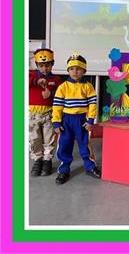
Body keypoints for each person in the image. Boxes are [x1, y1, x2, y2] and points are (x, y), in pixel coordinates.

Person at [52, 54, 100, 185]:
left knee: (85, 143)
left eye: (78, 68)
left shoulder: (88, 86)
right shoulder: (63, 87)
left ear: (84, 70)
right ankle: (64, 169)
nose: (75, 71)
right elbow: (57, 105)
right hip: (66, 120)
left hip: (82, 120)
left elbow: (92, 104)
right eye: (71, 68)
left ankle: (90, 166)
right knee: (64, 145)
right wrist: (56, 122)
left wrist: (90, 120)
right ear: (68, 70)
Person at [28, 49, 63, 177]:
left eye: (47, 65)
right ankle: (37, 160)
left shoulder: (56, 79)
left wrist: (51, 94)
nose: (44, 68)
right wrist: (36, 81)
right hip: (32, 115)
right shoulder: (31, 75)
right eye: (41, 65)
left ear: (52, 64)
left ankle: (47, 160)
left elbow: (62, 95)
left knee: (49, 139)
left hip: (49, 114)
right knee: (34, 139)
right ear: (37, 65)